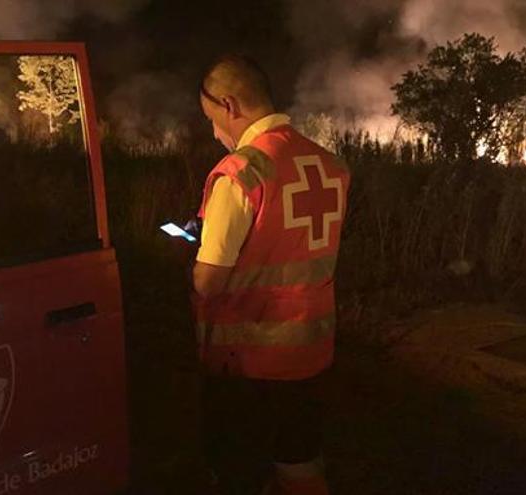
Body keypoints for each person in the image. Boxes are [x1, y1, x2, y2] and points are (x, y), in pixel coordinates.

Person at [193, 54, 350, 495]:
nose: (213, 131)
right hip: (312, 351)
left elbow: (208, 282)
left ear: (230, 105)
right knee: (300, 463)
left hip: (248, 363)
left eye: (212, 118)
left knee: (239, 470)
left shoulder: (241, 173)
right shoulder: (329, 164)